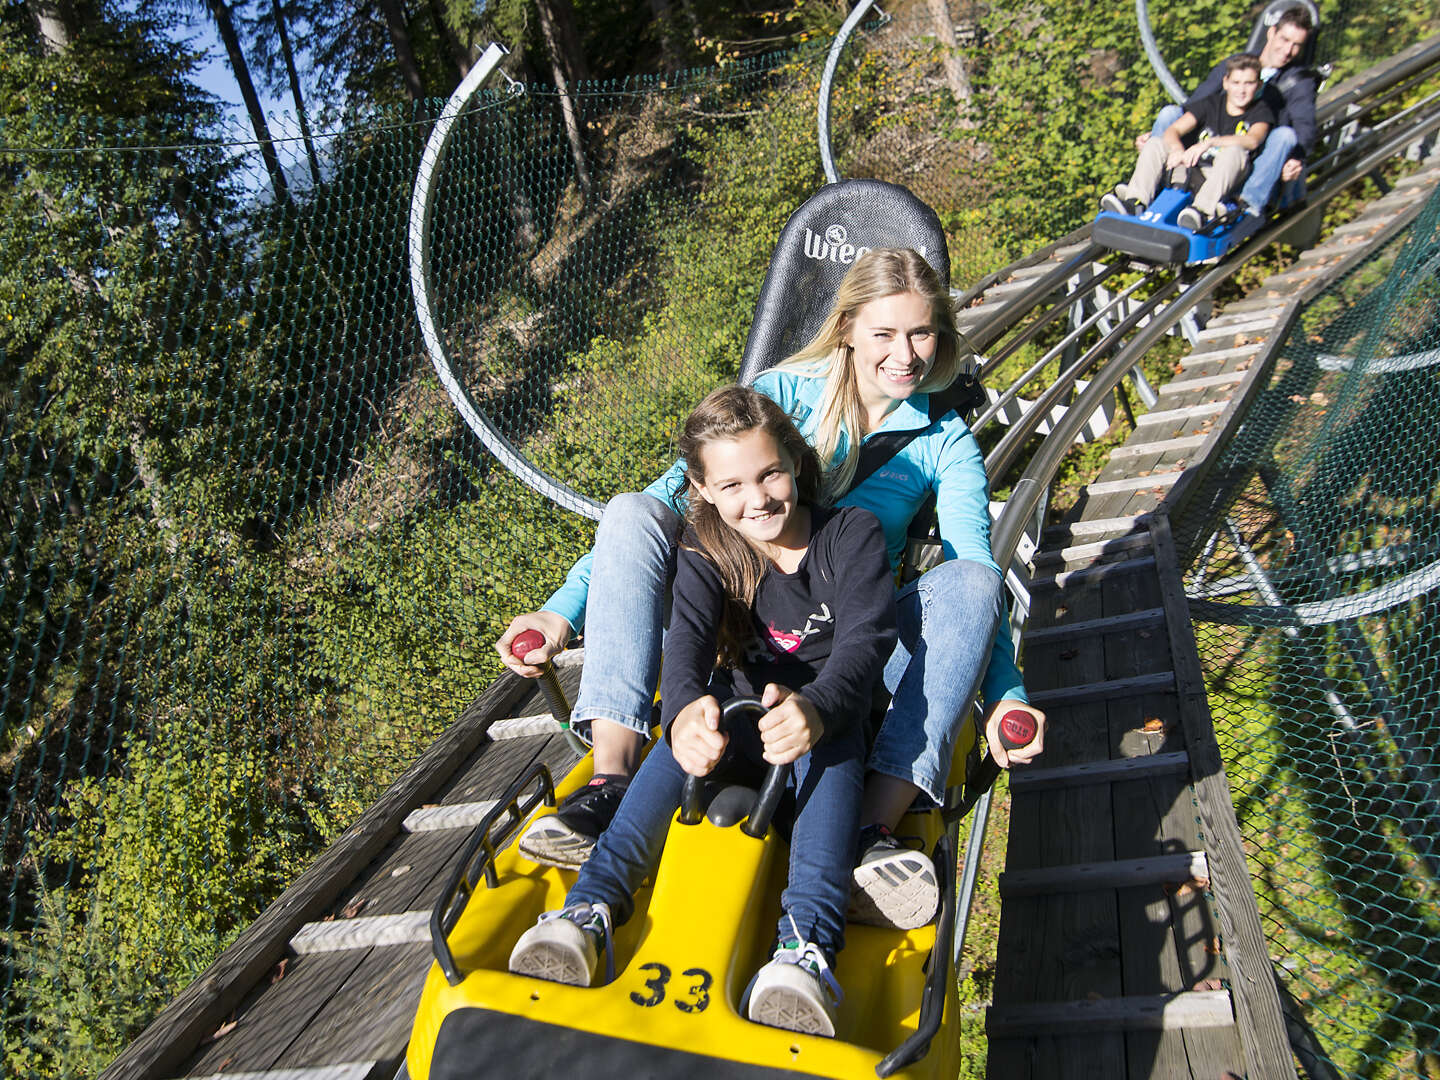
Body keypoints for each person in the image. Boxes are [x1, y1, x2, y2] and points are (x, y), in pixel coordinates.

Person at [498, 248, 1046, 930]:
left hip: (847, 647)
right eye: (885, 334)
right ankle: (613, 778)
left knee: (969, 578)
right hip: (740, 628)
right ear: (847, 328)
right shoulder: (781, 397)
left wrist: (1004, 693)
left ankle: (871, 831)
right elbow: (660, 505)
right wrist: (561, 612)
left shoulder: (945, 440)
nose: (905, 354)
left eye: (922, 333)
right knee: (631, 509)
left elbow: (975, 578)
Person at [508, 384, 897, 1037]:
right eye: (735, 485)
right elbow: (685, 645)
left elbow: (867, 642)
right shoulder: (706, 545)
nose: (759, 498)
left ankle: (807, 947)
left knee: (832, 744)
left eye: (771, 473)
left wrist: (817, 706)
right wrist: (684, 712)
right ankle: (590, 910)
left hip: (821, 719)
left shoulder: (847, 535)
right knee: (694, 716)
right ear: (705, 488)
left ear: (795, 464)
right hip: (736, 715)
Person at [1138, 5, 1316, 217]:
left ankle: (1247, 203)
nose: (1288, 51)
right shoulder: (1237, 64)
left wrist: (1295, 159)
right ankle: (1152, 185)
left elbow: (1304, 128)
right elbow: (1197, 103)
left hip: (1248, 153)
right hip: (1210, 142)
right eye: (1285, 40)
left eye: (1296, 45)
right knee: (1169, 113)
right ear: (1271, 33)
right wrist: (1162, 133)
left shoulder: (1298, 82)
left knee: (1285, 136)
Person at [1101, 53, 1274, 231]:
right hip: (1193, 170)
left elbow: (1253, 140)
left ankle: (1201, 212)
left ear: (1258, 85)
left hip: (1221, 177)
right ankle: (1135, 202)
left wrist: (1210, 143)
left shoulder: (1260, 112)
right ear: (1226, 82)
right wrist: (1177, 149)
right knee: (1156, 143)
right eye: (1236, 83)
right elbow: (1173, 130)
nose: (1242, 90)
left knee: (1234, 152)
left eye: (1249, 83)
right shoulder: (1212, 104)